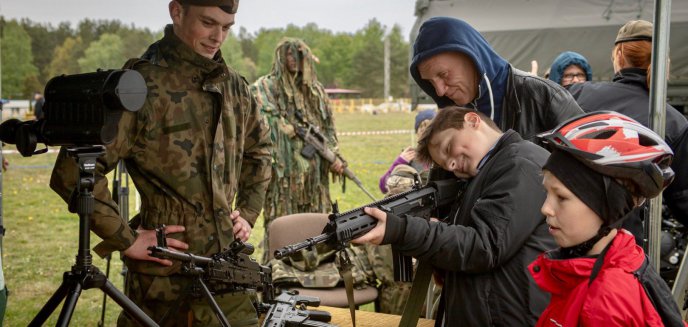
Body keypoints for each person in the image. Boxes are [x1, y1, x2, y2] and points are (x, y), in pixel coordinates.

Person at [49, 1, 272, 326]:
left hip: (230, 278)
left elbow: (260, 150)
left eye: (226, 27)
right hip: (165, 280)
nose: (217, 37)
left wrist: (248, 213)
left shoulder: (235, 86)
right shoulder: (140, 86)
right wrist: (126, 237)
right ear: (177, 12)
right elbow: (72, 171)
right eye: (208, 23)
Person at [353, 106, 557, 326]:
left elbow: (484, 246)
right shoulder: (485, 172)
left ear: (472, 120)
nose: (451, 164)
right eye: (444, 164)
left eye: (449, 147)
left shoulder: (520, 163)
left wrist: (403, 230)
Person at [530, 111, 680, 326]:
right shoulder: (621, 258)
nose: (546, 209)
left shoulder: (605, 304)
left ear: (608, 207)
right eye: (548, 193)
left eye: (562, 197)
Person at [567, 19, 688, 238]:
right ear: (664, 63)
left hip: (564, 231)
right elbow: (682, 199)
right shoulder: (674, 122)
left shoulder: (577, 94)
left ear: (619, 55)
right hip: (624, 242)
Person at [410, 17, 583, 144]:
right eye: (431, 82)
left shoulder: (544, 96)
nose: (439, 91)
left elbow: (591, 167)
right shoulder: (451, 116)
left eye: (443, 75)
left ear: (472, 57)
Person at [250, 38, 343, 261]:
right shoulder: (265, 87)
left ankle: (316, 272)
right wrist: (289, 131)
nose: (293, 59)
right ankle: (276, 275)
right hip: (284, 179)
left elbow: (329, 128)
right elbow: (262, 123)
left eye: (298, 55)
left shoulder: (316, 91)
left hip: (315, 181)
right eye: (289, 54)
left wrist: (334, 154)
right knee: (282, 228)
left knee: (316, 227)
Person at [378, 109, 435, 194]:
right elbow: (384, 187)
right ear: (417, 133)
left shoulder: (445, 155)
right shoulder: (409, 156)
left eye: (430, 130)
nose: (426, 136)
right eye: (423, 130)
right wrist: (399, 162)